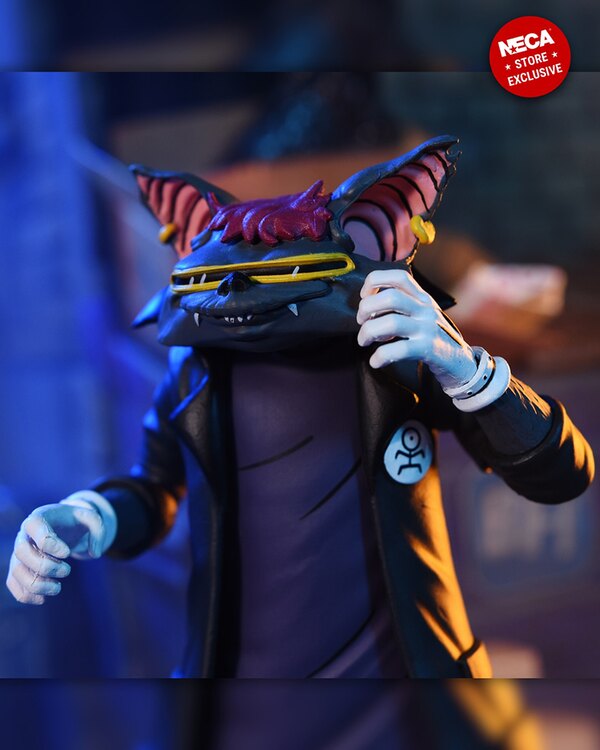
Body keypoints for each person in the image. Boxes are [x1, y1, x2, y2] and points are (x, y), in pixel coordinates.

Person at [7, 136, 593, 687]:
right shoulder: (195, 371)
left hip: (400, 686)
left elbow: (563, 475)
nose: (239, 290)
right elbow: (154, 491)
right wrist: (83, 519)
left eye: (284, 269)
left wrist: (467, 370)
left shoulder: (398, 354)